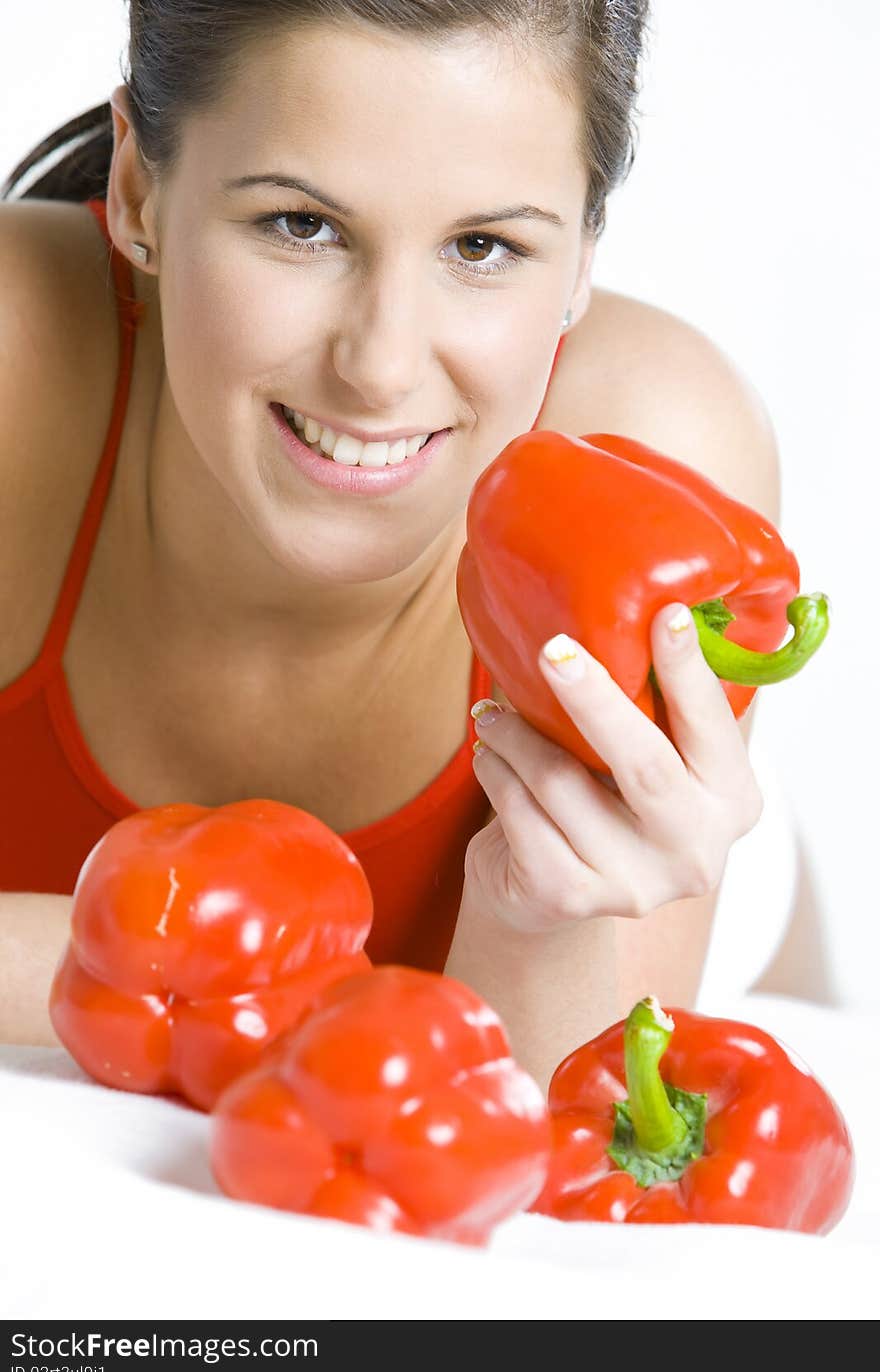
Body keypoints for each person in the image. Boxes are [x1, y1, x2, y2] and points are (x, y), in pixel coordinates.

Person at [0, 1, 777, 1092]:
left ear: (583, 255)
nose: (379, 366)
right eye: (299, 225)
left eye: (482, 245)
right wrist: (343, 996)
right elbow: (451, 1053)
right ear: (138, 190)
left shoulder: (653, 452)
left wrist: (535, 921)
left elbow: (560, 1106)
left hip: (742, 899)